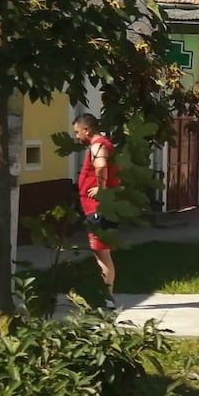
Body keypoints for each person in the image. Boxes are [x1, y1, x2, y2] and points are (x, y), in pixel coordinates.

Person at [73, 113, 121, 309]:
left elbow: (100, 165)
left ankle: (106, 298)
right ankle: (106, 295)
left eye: (77, 132)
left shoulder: (97, 145)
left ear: (87, 129)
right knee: (102, 253)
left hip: (98, 208)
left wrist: (100, 189)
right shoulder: (103, 144)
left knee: (102, 254)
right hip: (99, 207)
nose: (76, 136)